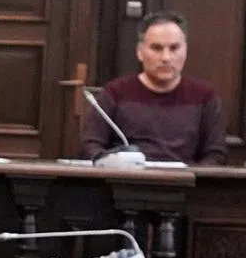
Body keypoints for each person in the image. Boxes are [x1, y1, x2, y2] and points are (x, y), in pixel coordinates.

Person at [80, 10, 226, 165]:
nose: (166, 58)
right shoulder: (115, 93)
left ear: (186, 50)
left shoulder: (205, 97)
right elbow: (90, 146)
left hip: (185, 184)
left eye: (174, 48)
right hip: (126, 182)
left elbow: (215, 154)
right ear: (140, 52)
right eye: (156, 48)